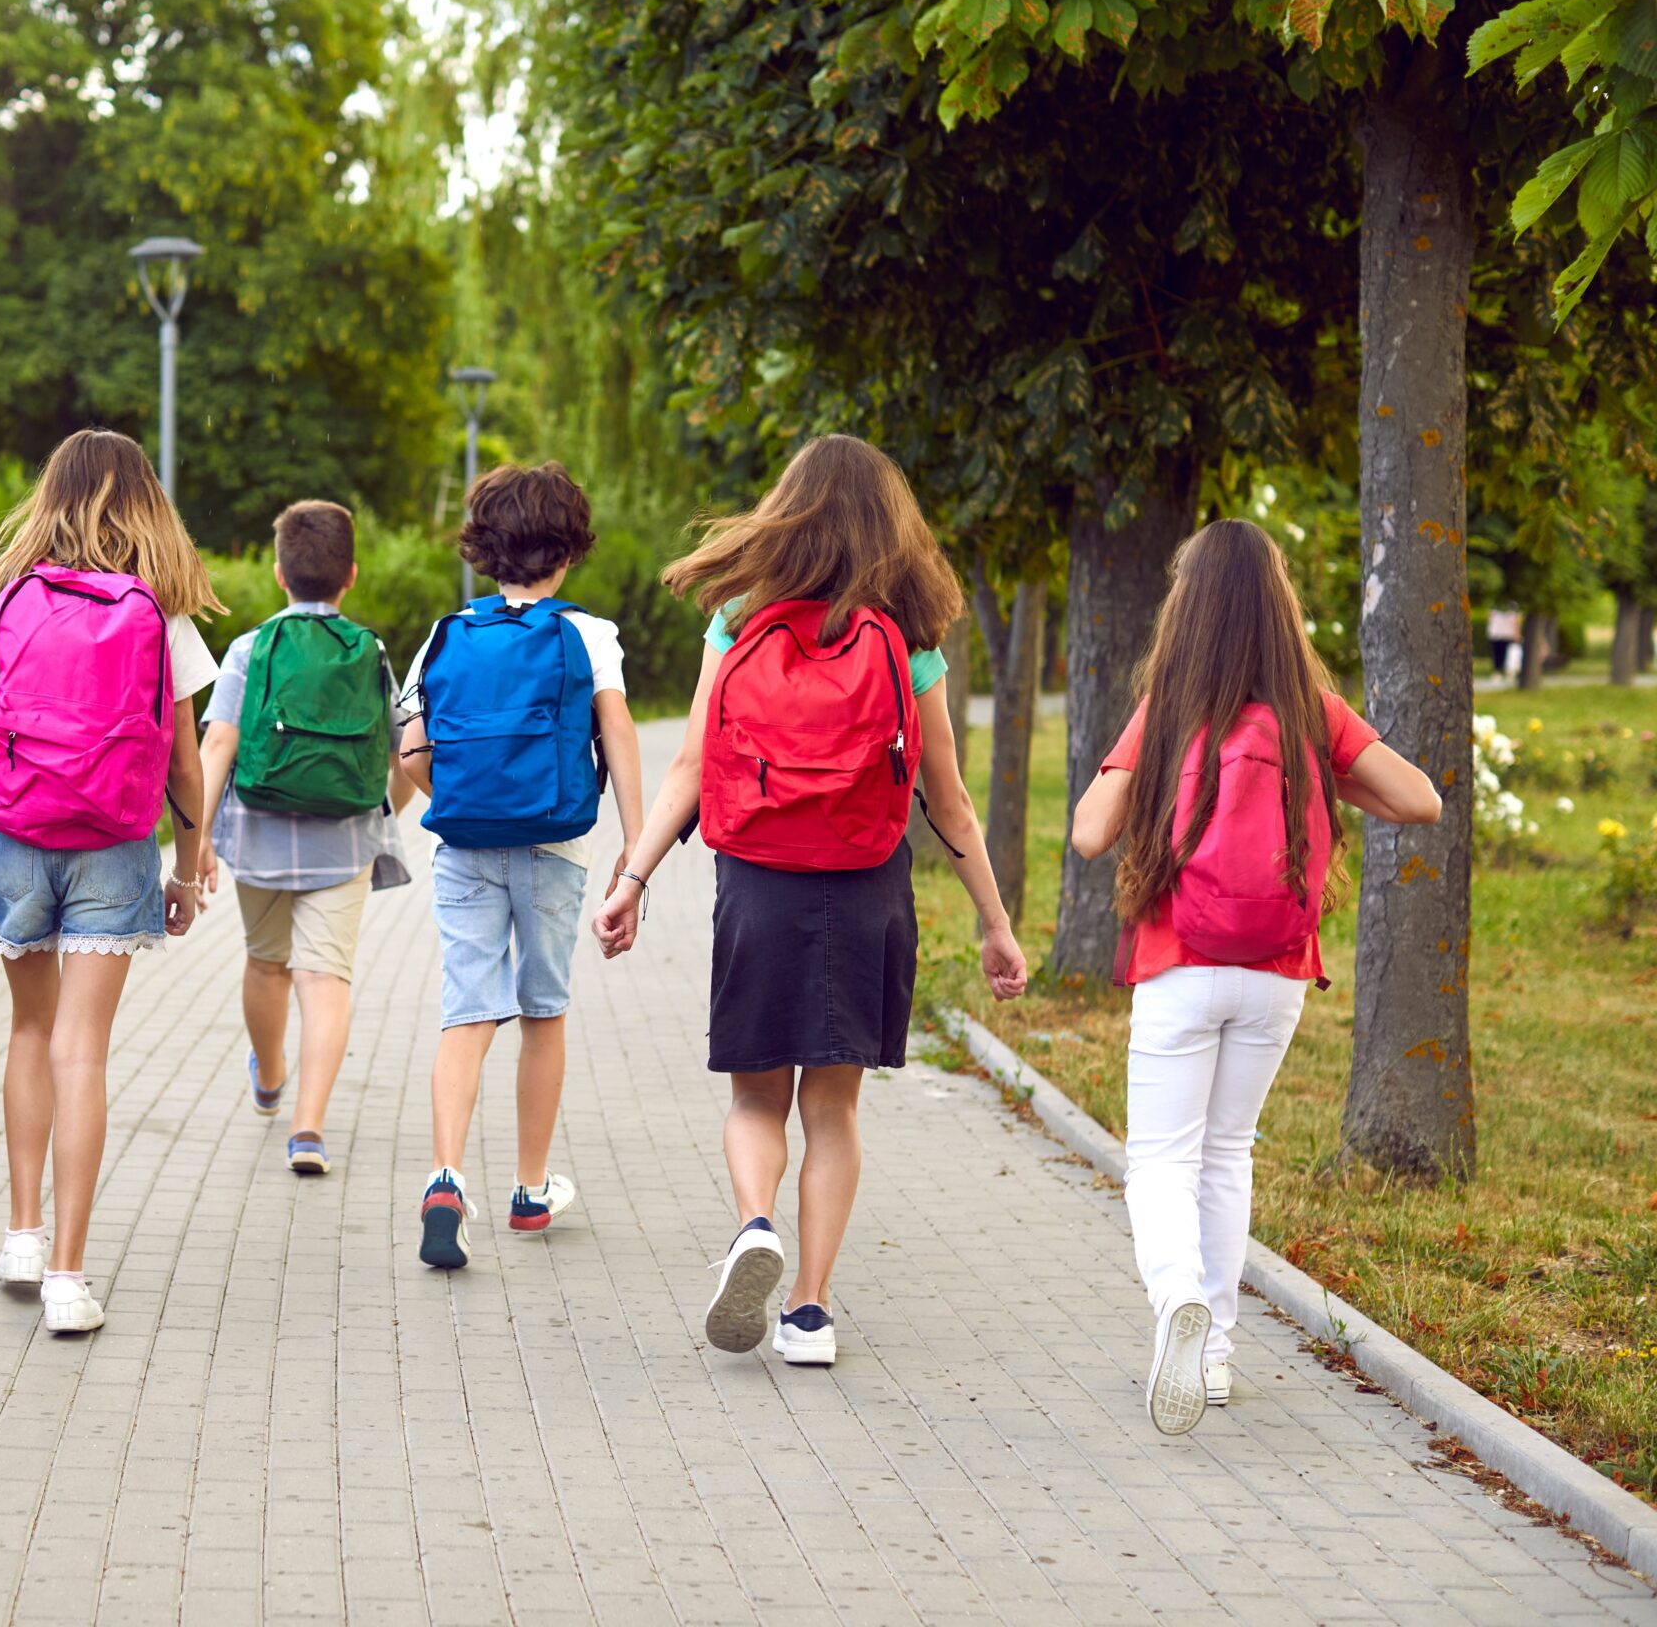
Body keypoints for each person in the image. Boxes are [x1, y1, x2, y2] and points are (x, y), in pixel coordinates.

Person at [591, 434, 1027, 1366]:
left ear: (786, 511)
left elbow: (691, 766)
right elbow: (944, 798)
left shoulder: (738, 623)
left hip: (757, 882)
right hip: (866, 886)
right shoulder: (906, 639)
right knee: (834, 1110)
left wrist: (632, 878)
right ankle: (810, 1312)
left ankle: (755, 1225)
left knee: (757, 1099)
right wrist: (994, 923)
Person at [1070, 519, 1439, 1434]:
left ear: (1185, 609)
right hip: (1274, 969)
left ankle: (1176, 1309)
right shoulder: (1313, 711)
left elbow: (1087, 831)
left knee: (1161, 1157)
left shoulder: (1170, 706)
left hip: (1179, 962)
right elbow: (1419, 799)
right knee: (1228, 1150)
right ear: (1280, 608)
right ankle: (1220, 1352)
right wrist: (1325, 774)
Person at [0, 429, 219, 1337]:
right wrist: (189, 870)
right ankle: (70, 1281)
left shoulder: (3, 596)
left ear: (52, 495)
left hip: (14, 836)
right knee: (84, 1050)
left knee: (30, 1029)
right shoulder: (161, 611)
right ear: (143, 503)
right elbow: (186, 769)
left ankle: (22, 1236)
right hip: (115, 843)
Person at [397, 463, 645, 1269]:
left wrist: (460, 794)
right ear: (569, 549)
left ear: (482, 549)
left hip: (462, 846)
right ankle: (531, 1192)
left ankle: (445, 1178)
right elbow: (621, 738)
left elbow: (410, 754)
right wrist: (635, 853)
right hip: (555, 847)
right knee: (543, 1010)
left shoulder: (443, 634)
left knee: (467, 1009)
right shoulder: (588, 635)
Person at [196, 500, 415, 1175]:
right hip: (343, 840)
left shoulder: (249, 648)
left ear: (276, 573)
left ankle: (269, 1073)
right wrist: (387, 815)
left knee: (267, 963)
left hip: (258, 836)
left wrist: (194, 838)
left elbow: (219, 744)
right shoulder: (371, 650)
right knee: (326, 980)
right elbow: (406, 750)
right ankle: (309, 1128)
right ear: (349, 576)